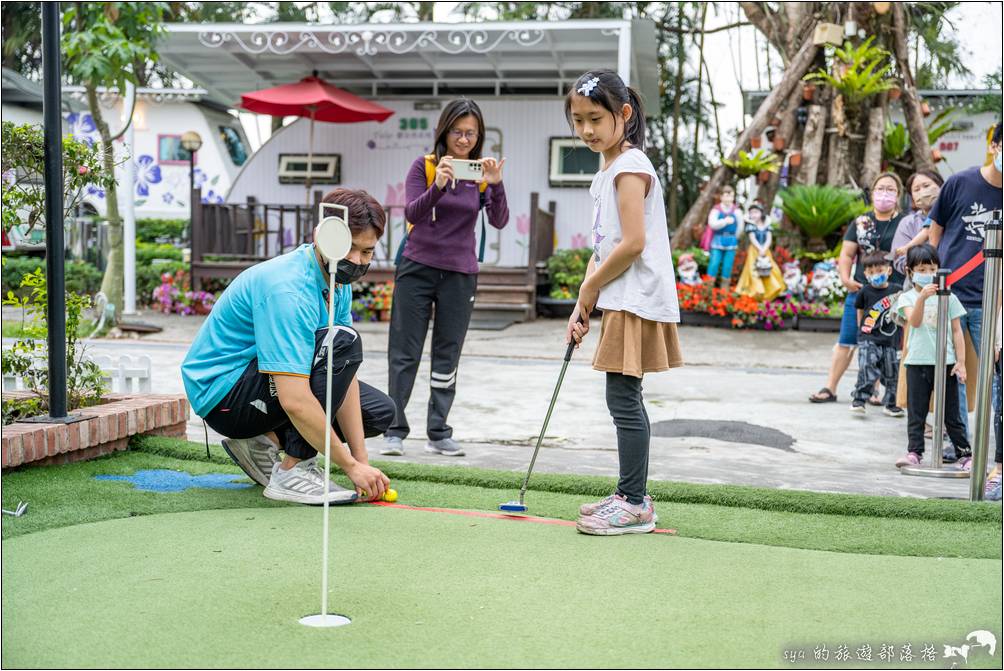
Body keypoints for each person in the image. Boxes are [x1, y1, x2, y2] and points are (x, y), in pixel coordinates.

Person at [181, 188, 393, 505]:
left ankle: (261, 442)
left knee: (379, 413)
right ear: (326, 238)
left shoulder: (337, 282)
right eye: (350, 248)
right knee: (338, 346)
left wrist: (361, 462)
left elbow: (342, 372)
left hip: (262, 386)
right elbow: (294, 398)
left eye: (367, 252)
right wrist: (347, 466)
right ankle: (294, 469)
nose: (357, 261)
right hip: (223, 395)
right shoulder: (287, 290)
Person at [563, 69, 683, 535]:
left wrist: (590, 290)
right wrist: (584, 301)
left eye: (596, 118)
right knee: (623, 397)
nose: (587, 130)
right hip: (620, 295)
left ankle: (635, 503)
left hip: (636, 296)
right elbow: (604, 246)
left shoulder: (631, 168)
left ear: (624, 115)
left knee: (623, 399)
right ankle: (629, 494)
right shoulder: (609, 170)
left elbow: (632, 243)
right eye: (578, 121)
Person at [382, 99, 510, 458]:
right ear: (444, 130)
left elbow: (499, 221)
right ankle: (395, 430)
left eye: (471, 133)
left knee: (447, 354)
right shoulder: (423, 166)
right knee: (404, 353)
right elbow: (412, 212)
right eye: (458, 131)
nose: (464, 139)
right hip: (416, 268)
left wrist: (496, 184)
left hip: (460, 274)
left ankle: (438, 431)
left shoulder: (479, 173)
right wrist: (438, 184)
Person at [928, 122, 1003, 439]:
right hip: (951, 294)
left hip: (993, 301)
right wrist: (932, 278)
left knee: (997, 372)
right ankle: (958, 442)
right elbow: (936, 229)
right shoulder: (959, 182)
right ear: (993, 147)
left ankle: (996, 444)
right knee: (952, 371)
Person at [809, 172, 906, 404]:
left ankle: (875, 389)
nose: (885, 193)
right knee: (847, 340)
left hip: (893, 295)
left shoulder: (906, 222)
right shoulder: (861, 222)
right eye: (880, 188)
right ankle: (830, 387)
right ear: (872, 193)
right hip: (862, 291)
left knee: (886, 344)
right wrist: (845, 278)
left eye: (890, 189)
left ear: (899, 195)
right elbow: (846, 254)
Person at [894, 244, 972, 470]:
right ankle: (914, 452)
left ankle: (964, 454)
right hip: (917, 362)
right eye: (921, 269)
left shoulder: (949, 298)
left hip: (945, 363)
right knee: (916, 412)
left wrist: (961, 361)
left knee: (952, 413)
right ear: (910, 272)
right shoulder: (907, 298)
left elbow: (957, 331)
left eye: (931, 269)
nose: (927, 274)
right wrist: (921, 299)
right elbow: (915, 322)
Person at [849, 253, 902, 416]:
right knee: (867, 364)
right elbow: (860, 311)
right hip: (868, 337)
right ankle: (859, 398)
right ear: (865, 274)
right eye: (871, 272)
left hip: (891, 339)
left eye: (879, 270)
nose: (876, 275)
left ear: (889, 270)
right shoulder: (865, 291)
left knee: (892, 371)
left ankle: (891, 403)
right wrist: (861, 330)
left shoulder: (897, 291)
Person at [891, 170, 944, 276]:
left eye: (926, 185)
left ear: (942, 187)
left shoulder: (951, 213)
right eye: (916, 190)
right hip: (917, 288)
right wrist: (920, 271)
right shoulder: (908, 223)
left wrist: (907, 248)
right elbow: (899, 260)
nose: (923, 192)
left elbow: (926, 232)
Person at [735, 202, 785, 302]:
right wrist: (760, 249)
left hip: (765, 251)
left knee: (770, 269)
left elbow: (769, 238)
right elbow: (752, 238)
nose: (753, 215)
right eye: (751, 213)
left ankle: (770, 291)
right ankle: (756, 291)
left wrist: (764, 248)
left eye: (756, 212)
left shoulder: (766, 224)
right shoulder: (751, 226)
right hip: (755, 251)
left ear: (761, 213)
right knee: (754, 270)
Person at [705, 185, 742, 289]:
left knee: (727, 267)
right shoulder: (716, 210)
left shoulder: (737, 211)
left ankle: (724, 292)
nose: (729, 199)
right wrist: (725, 221)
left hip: (731, 241)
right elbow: (712, 224)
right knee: (714, 264)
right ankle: (706, 289)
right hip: (717, 240)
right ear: (721, 197)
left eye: (731, 196)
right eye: (726, 196)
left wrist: (735, 237)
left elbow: (740, 227)